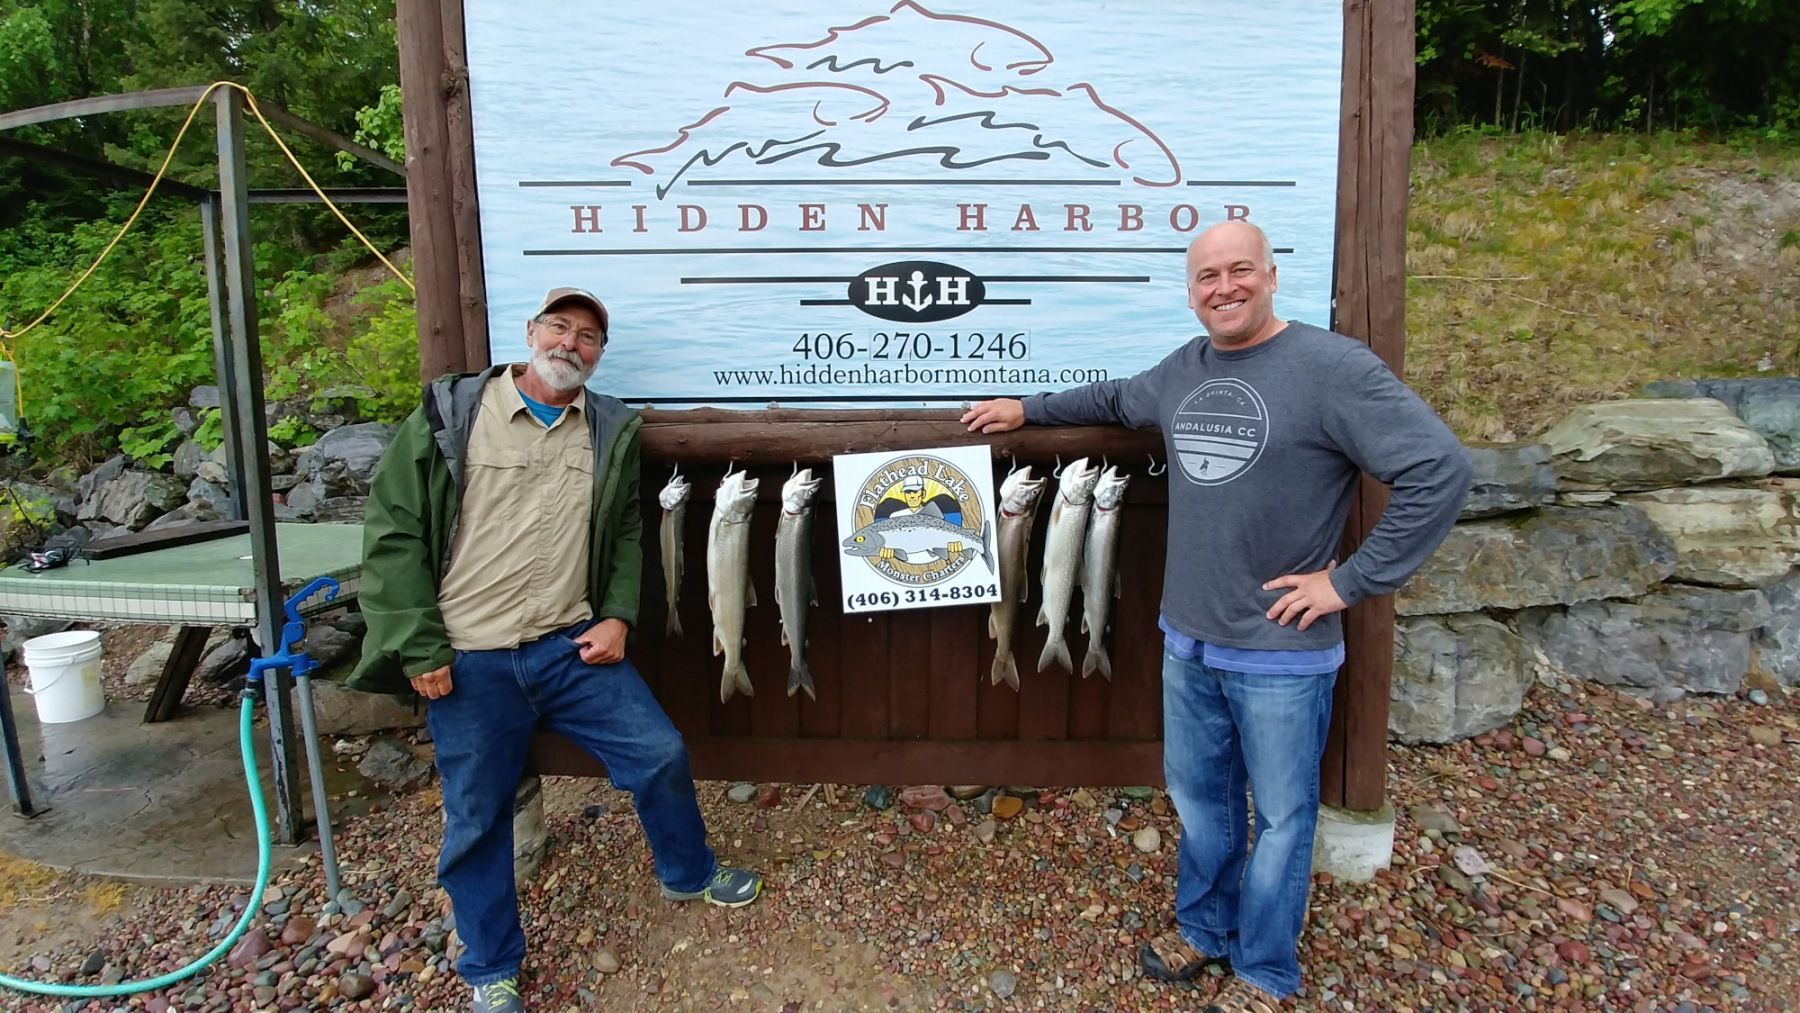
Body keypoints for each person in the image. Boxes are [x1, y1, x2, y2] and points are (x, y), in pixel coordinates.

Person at [962, 222, 1471, 1012]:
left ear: (1270, 275)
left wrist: (1349, 581)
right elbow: (1109, 398)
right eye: (1207, 276)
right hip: (1188, 639)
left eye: (1240, 271)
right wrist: (1023, 406)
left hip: (1280, 649)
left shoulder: (1331, 367)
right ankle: (1203, 927)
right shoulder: (1185, 369)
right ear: (1191, 290)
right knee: (1200, 802)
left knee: (1281, 819)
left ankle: (1265, 970)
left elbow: (1439, 467)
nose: (1224, 287)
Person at [349, 287, 762, 1013]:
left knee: (660, 754)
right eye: (560, 328)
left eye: (589, 337)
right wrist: (417, 646)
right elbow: (393, 535)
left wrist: (618, 617)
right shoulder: (454, 413)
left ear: (600, 354)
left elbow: (628, 534)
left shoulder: (607, 427)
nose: (572, 344)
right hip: (469, 658)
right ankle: (490, 966)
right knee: (478, 817)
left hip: (570, 649)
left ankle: (688, 870)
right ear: (530, 332)